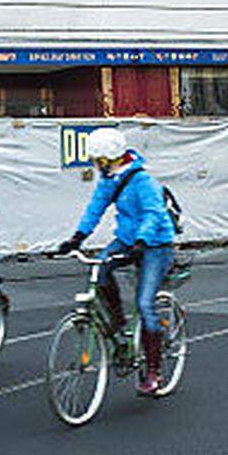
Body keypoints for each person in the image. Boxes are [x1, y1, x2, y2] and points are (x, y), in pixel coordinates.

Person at [58, 128, 176, 396]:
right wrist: (77, 237)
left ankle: (154, 371)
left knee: (145, 303)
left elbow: (153, 214)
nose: (97, 166)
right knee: (99, 271)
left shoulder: (142, 181)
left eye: (100, 161)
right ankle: (120, 326)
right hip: (126, 239)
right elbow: (95, 208)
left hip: (155, 244)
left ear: (113, 158)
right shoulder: (110, 179)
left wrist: (142, 241)